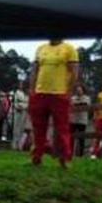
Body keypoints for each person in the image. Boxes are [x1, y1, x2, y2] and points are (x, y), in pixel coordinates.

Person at [27, 38, 80, 168]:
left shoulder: (69, 49)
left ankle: (65, 158)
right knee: (38, 127)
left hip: (59, 93)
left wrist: (68, 91)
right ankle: (36, 157)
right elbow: (35, 70)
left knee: (62, 127)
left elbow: (74, 72)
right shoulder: (41, 48)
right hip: (40, 93)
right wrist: (32, 89)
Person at [69, 83, 92, 158]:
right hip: (73, 120)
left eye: (80, 90)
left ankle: (80, 155)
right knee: (71, 138)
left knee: (81, 138)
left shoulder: (87, 98)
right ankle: (70, 153)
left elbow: (87, 106)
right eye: (77, 90)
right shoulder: (72, 98)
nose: (78, 92)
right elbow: (71, 106)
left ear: (83, 91)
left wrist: (78, 104)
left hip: (82, 121)